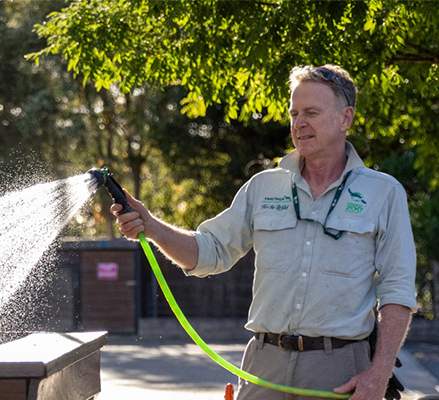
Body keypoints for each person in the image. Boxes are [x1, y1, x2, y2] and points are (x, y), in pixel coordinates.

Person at [111, 64, 417, 400]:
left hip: (340, 370)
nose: (298, 124)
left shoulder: (383, 193)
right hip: (263, 364)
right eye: (294, 113)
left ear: (346, 118)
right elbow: (209, 251)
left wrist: (380, 373)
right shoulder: (262, 187)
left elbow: (397, 290)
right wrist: (152, 226)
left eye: (311, 113)